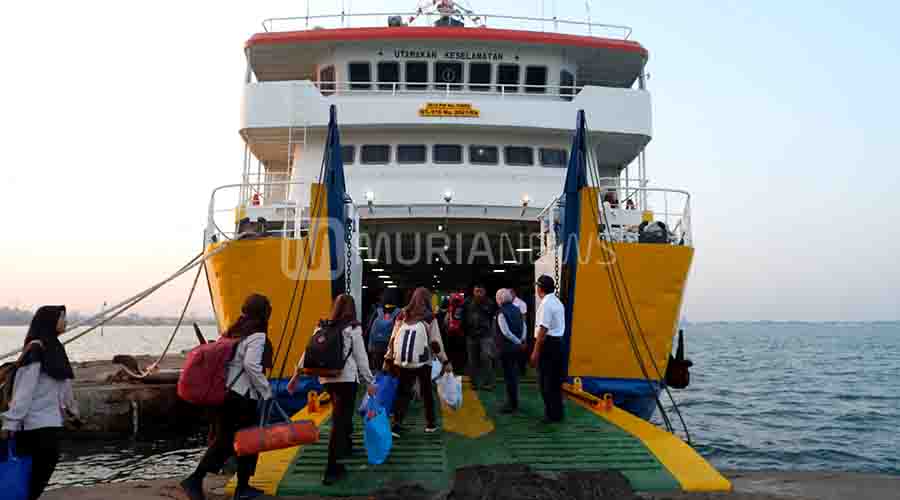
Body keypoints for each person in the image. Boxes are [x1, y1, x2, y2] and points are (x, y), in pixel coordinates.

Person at [181, 294, 274, 500]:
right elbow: (251, 365)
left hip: (227, 395)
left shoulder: (234, 330)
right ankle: (195, 480)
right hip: (242, 398)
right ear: (263, 312)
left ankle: (240, 486)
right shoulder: (257, 334)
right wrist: (266, 391)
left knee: (233, 442)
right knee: (235, 442)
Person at [290, 294, 376, 485]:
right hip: (346, 379)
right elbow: (361, 358)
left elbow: (308, 351)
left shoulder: (322, 326)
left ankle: (346, 446)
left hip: (326, 378)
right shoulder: (352, 328)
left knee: (342, 416)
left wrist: (296, 375)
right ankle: (332, 469)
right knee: (339, 421)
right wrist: (369, 382)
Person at [1, 306, 78, 500]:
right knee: (28, 482)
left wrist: (72, 412)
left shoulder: (56, 349)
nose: (65, 322)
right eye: (62, 318)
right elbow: (23, 392)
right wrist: (10, 423)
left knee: (35, 482)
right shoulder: (36, 350)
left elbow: (64, 388)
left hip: (51, 427)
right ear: (49, 321)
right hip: (32, 428)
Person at [384, 287, 451, 437]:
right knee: (427, 392)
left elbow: (393, 338)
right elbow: (435, 342)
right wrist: (445, 361)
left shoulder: (402, 314)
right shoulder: (429, 317)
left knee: (403, 391)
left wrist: (388, 358)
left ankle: (396, 424)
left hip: (403, 360)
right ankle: (430, 424)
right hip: (423, 362)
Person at [529, 276, 566, 423]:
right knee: (555, 381)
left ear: (540, 288)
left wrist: (535, 352)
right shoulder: (557, 302)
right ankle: (557, 413)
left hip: (548, 345)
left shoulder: (546, 304)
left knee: (546, 381)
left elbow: (543, 330)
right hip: (557, 344)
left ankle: (551, 414)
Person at [495, 289, 527, 414]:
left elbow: (505, 332)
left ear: (499, 299)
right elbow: (524, 326)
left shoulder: (501, 312)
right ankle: (514, 402)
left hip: (507, 349)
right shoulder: (517, 310)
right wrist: (522, 340)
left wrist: (517, 342)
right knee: (514, 375)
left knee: (509, 377)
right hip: (518, 349)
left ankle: (511, 404)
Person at [463, 284, 496, 390]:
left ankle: (488, 383)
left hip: (486, 335)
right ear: (473, 291)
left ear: (484, 292)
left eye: (480, 291)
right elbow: (462, 316)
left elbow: (492, 316)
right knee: (472, 360)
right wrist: (465, 330)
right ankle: (474, 383)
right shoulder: (467, 302)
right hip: (471, 335)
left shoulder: (490, 303)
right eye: (476, 291)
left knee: (486, 358)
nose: (478, 293)